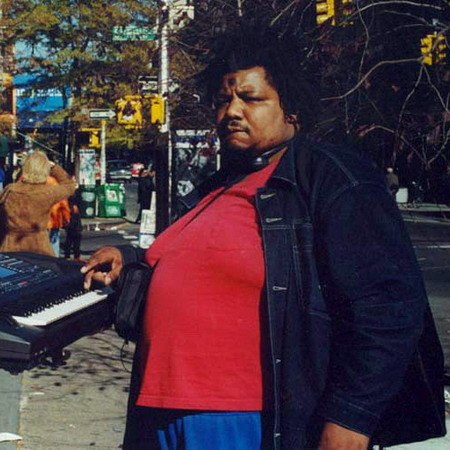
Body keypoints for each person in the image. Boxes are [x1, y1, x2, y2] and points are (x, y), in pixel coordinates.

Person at [82, 28, 443, 450]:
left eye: (251, 99)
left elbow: (387, 306)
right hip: (159, 409)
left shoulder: (330, 178)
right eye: (223, 100)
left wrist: (350, 418)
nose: (232, 111)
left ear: (291, 109)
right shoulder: (216, 187)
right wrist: (130, 258)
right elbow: (200, 269)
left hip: (243, 418)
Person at [0, 150, 76, 256]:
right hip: (39, 246)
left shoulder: (10, 190)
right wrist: (54, 167)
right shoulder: (47, 192)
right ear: (45, 169)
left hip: (11, 245)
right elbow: (69, 185)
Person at [47, 173, 71, 257]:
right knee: (54, 241)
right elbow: (63, 204)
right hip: (55, 219)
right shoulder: (56, 185)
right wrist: (67, 218)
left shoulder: (37, 184)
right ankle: (54, 259)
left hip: (41, 219)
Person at [63, 190, 83, 260]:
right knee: (75, 242)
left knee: (69, 241)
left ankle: (68, 255)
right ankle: (76, 256)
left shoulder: (68, 206)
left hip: (71, 226)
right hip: (75, 226)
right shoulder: (76, 208)